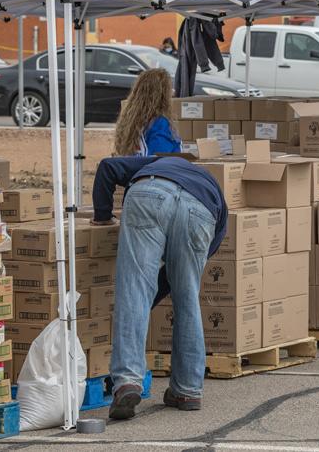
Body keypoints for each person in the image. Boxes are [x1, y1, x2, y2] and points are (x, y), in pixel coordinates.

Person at [91, 156, 227, 420]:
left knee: (134, 288)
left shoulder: (155, 163)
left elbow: (107, 167)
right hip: (202, 210)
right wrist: (159, 292)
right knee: (187, 297)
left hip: (149, 194)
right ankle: (187, 390)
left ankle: (128, 381)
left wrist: (102, 217)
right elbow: (197, 258)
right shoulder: (209, 186)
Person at [113, 68, 181, 157]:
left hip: (133, 168)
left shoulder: (130, 120)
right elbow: (159, 159)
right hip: (155, 169)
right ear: (163, 95)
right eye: (169, 89)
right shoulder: (160, 123)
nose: (172, 93)